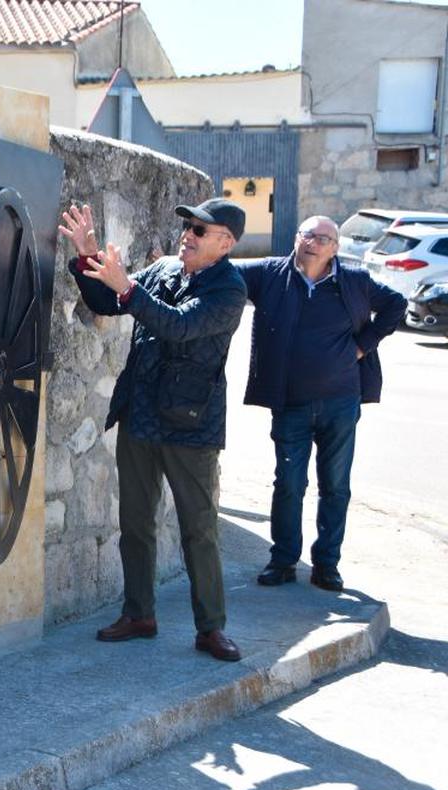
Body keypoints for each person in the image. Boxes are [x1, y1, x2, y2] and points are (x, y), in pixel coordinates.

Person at [58, 198, 248, 662]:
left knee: (198, 530)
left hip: (191, 426)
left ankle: (210, 628)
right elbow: (108, 299)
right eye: (187, 225)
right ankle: (139, 614)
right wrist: (87, 257)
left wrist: (127, 288)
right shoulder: (164, 269)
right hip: (141, 416)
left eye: (201, 230)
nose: (188, 234)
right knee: (135, 523)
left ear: (225, 243)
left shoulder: (230, 289)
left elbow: (178, 326)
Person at [236, 216, 405, 591]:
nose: (314, 241)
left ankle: (326, 564)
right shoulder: (269, 274)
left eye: (324, 237)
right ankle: (282, 561)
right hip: (290, 403)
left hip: (340, 404)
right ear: (297, 239)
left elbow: (396, 304)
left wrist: (363, 345)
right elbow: (223, 273)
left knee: (335, 486)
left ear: (335, 248)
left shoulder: (355, 282)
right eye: (308, 234)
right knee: (289, 484)